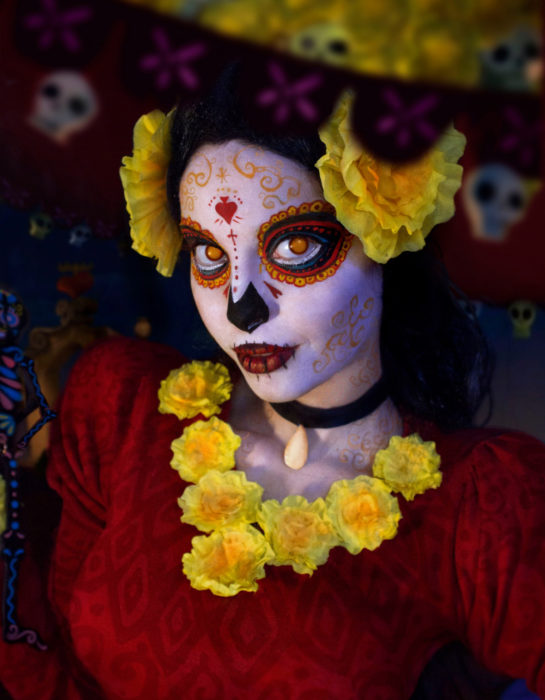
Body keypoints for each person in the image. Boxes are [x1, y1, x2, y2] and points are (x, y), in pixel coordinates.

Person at [1, 67, 544, 699]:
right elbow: (60, 661)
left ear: (387, 236)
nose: (242, 307)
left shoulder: (479, 509)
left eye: (294, 249)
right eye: (210, 255)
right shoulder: (125, 414)